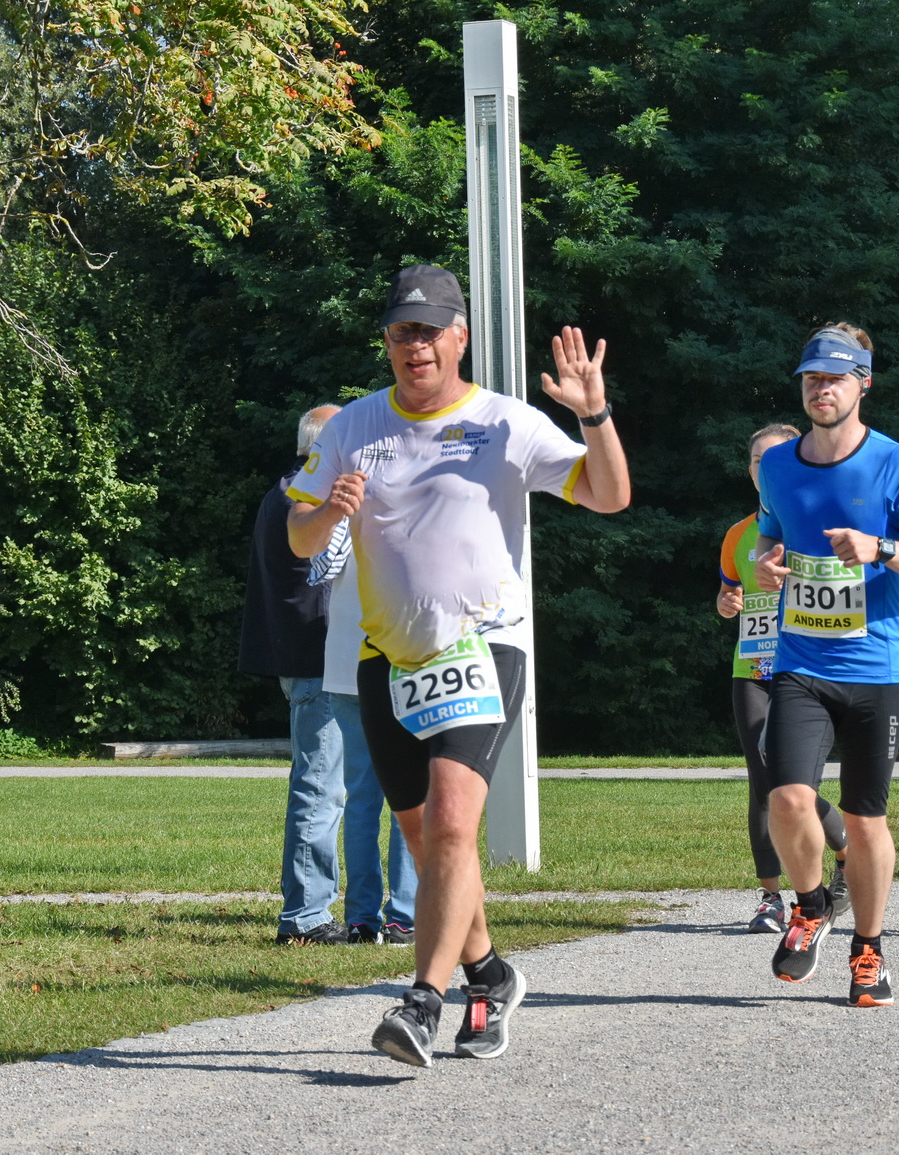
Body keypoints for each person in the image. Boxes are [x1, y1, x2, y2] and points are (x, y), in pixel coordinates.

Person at [287, 264, 630, 1067]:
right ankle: (489, 971)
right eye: (402, 332)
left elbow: (610, 495)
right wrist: (323, 513)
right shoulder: (352, 425)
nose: (416, 347)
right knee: (431, 837)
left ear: (460, 336)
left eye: (430, 330)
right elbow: (300, 536)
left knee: (449, 825)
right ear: (387, 342)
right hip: (386, 659)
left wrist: (596, 414)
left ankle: (421, 1003)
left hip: (483, 647)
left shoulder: (506, 423)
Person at [753, 323, 899, 1008]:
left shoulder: (897, 463)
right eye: (811, 379)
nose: (821, 389)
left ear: (862, 384)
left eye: (834, 379)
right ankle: (811, 902)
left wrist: (881, 548)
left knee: (867, 820)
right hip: (802, 660)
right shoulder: (777, 465)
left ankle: (868, 950)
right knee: (786, 796)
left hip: (878, 666)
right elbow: (768, 543)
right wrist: (765, 565)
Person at [717, 424, 848, 934]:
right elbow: (728, 596)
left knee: (792, 785)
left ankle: (842, 850)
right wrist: (727, 603)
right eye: (754, 460)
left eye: (770, 458)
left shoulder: (818, 523)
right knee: (763, 783)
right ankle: (771, 898)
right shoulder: (737, 535)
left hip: (807, 669)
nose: (761, 467)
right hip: (751, 669)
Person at [237, 405, 347, 946]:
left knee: (326, 784)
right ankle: (305, 915)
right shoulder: (302, 499)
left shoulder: (286, 491)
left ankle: (314, 906)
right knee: (320, 786)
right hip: (317, 658)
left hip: (308, 657)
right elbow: (320, 584)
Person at [311, 507, 419, 945]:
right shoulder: (413, 508)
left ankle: (360, 918)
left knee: (361, 799)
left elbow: (320, 567)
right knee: (407, 796)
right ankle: (403, 916)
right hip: (398, 663)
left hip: (343, 664)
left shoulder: (340, 508)